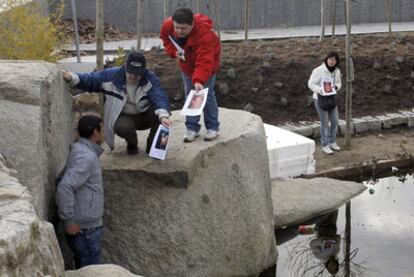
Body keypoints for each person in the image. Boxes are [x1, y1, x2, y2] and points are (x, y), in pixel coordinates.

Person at [63, 51, 172, 155]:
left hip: (144, 115)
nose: (133, 77)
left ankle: (155, 148)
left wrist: (163, 116)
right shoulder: (111, 75)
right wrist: (73, 77)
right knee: (122, 127)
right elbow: (92, 79)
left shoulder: (151, 79)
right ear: (125, 67)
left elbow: (159, 96)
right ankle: (132, 144)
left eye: (137, 74)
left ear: (144, 71)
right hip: (124, 116)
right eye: (130, 73)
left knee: (163, 115)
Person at [160, 8, 221, 142]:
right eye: (177, 27)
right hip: (186, 65)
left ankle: (213, 127)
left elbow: (205, 60)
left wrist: (199, 80)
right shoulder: (168, 25)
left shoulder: (205, 35)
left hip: (207, 66)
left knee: (206, 94)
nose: (179, 31)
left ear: (192, 24)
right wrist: (173, 52)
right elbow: (166, 39)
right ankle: (192, 128)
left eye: (183, 28)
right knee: (190, 94)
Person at [56, 115, 105, 269]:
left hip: (84, 227)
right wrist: (69, 221)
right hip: (85, 230)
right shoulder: (86, 157)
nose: (104, 133)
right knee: (91, 270)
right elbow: (65, 186)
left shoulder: (80, 151)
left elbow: (60, 178)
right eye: (102, 129)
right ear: (95, 133)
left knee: (83, 268)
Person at [308, 51, 342, 155]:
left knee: (335, 121)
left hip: (331, 98)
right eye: (330, 59)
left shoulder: (337, 71)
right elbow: (311, 83)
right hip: (320, 99)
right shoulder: (318, 70)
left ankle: (332, 142)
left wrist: (336, 87)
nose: (332, 61)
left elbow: (338, 83)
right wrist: (321, 90)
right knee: (325, 123)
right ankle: (325, 145)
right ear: (326, 59)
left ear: (337, 61)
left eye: (334, 60)